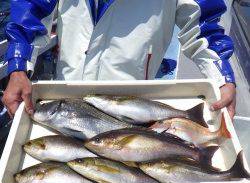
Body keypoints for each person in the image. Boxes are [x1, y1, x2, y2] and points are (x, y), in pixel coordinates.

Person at [2, 0, 236, 119]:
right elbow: (32, 6)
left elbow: (203, 23)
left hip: (133, 103)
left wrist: (222, 77)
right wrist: (18, 66)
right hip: (68, 96)